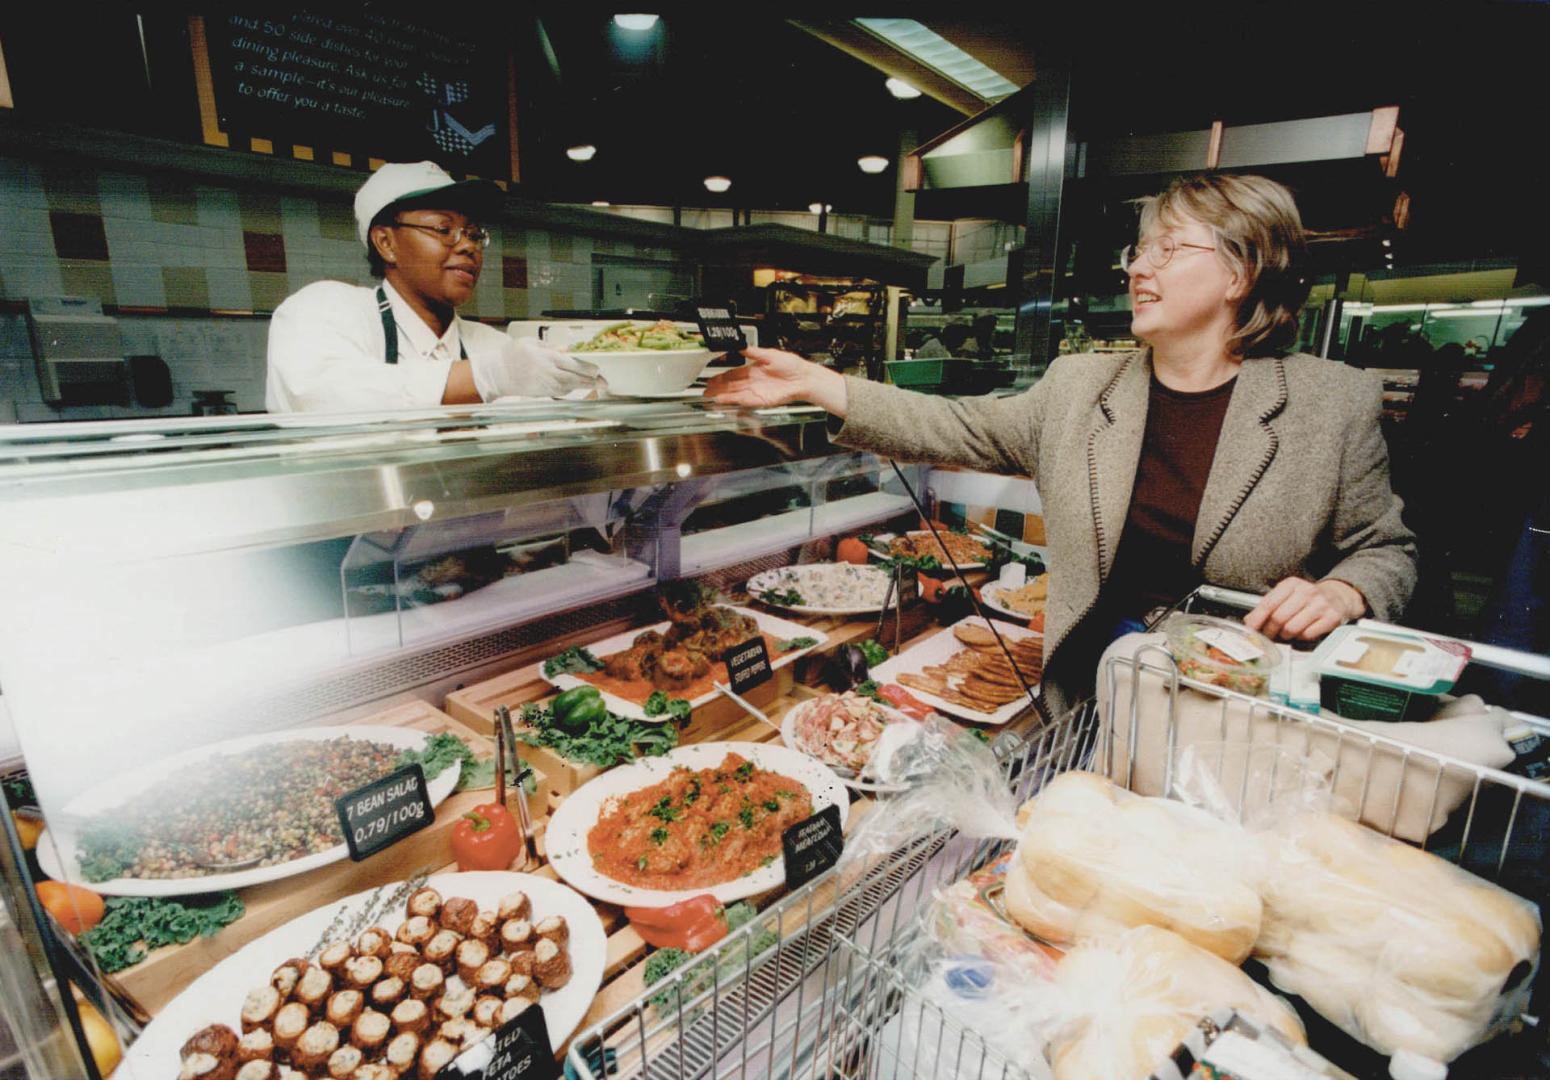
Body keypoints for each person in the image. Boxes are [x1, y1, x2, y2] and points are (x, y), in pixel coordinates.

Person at [707, 173, 1418, 715]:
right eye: (1139, 250)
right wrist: (816, 382)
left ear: (1241, 271)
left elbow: (1388, 549)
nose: (1140, 268)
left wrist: (1342, 590)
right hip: (1086, 693)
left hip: (1235, 709)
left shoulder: (1330, 403)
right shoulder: (1080, 385)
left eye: (1169, 250)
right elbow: (955, 428)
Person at [266, 161, 597, 412]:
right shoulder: (325, 310)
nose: (468, 246)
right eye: (444, 229)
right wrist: (486, 377)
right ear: (386, 242)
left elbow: (561, 420)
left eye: (473, 233)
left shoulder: (491, 345)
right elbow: (325, 397)